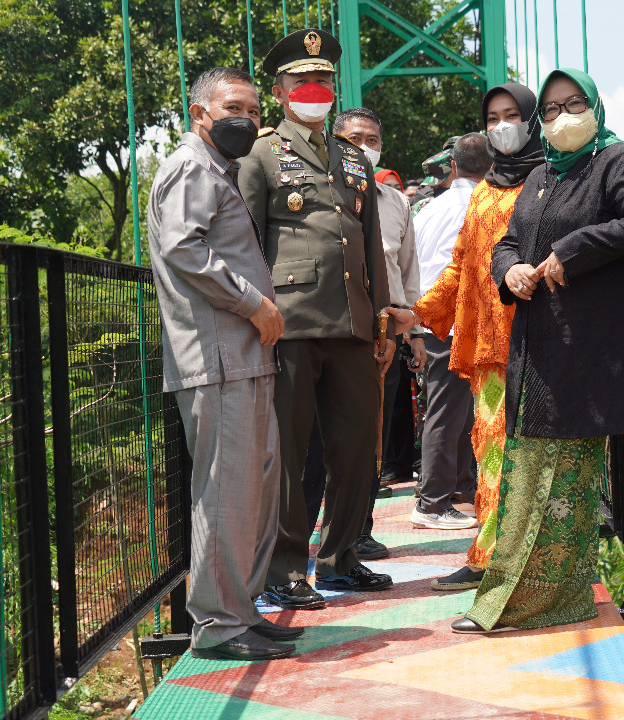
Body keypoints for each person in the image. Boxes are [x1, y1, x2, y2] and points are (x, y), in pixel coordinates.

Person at [462, 68, 624, 633]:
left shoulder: (618, 160)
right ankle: (527, 598)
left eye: (571, 104)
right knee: (528, 480)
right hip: (535, 352)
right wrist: (513, 273)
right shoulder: (541, 176)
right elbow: (506, 243)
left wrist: (571, 250)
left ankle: (536, 603)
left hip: (584, 352)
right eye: (549, 111)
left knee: (562, 485)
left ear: (594, 105)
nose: (560, 117)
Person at [238, 29, 397, 611]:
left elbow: (371, 244)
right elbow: (247, 242)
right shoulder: (259, 155)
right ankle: (284, 569)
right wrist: (256, 315)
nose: (315, 89)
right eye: (302, 81)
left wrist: (380, 319)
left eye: (324, 79)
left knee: (358, 448)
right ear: (280, 92)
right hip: (291, 324)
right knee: (286, 452)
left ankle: (340, 558)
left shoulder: (353, 157)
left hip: (354, 324)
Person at [147, 66, 303, 661]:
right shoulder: (192, 166)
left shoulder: (219, 170)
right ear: (200, 114)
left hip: (244, 357)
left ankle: (241, 612)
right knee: (224, 494)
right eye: (233, 107)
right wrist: (253, 302)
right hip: (218, 358)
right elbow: (181, 246)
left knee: (253, 494)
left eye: (255, 110)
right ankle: (217, 625)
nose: (247, 118)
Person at [385, 81, 543, 590]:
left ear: (532, 118)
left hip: (543, 348)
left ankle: (535, 564)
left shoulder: (551, 182)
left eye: (512, 114)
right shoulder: (484, 195)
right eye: (493, 117)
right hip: (491, 352)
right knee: (493, 453)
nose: (503, 125)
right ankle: (489, 559)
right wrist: (418, 313)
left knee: (541, 457)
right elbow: (459, 268)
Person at [332, 106, 427, 559]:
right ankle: (320, 534)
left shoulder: (396, 204)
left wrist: (416, 331)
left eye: (371, 139)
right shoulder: (321, 193)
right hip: (326, 331)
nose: (363, 148)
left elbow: (408, 272)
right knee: (322, 438)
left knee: (370, 436)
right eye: (353, 139)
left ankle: (358, 530)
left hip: (382, 335)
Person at [402, 132, 493, 531]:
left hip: (430, 317)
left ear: (452, 166)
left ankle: (456, 486)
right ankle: (432, 502)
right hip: (459, 320)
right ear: (492, 168)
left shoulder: (428, 209)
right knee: (448, 410)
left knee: (450, 407)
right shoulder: (483, 205)